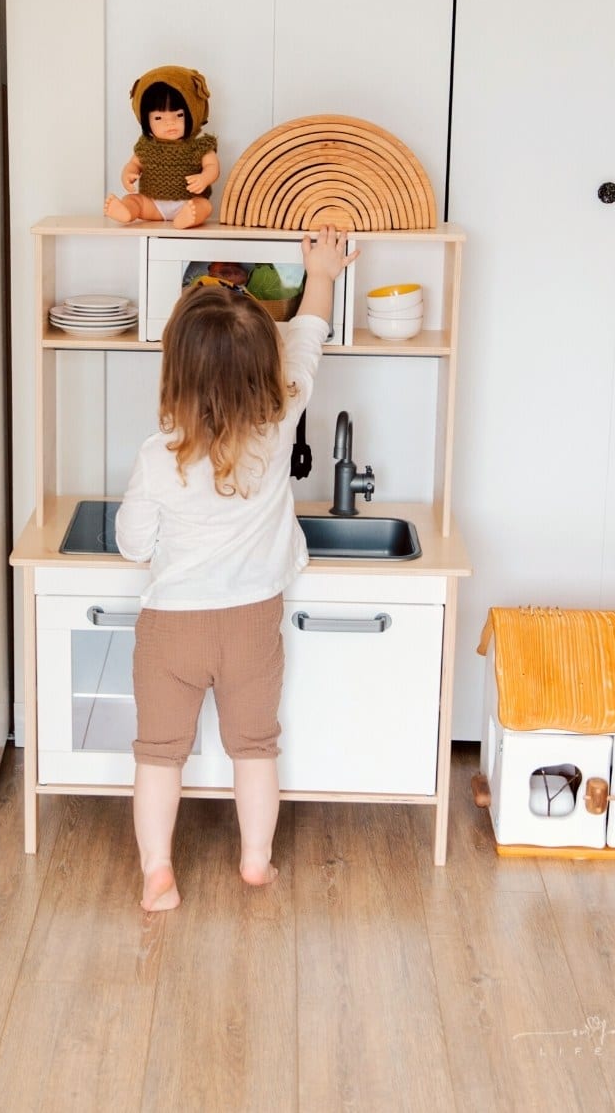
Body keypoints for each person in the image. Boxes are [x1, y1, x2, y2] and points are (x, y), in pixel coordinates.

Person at [115, 226, 359, 910]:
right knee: (255, 748)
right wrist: (322, 274)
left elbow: (134, 545)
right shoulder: (277, 424)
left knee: (159, 754)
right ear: (264, 371)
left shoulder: (158, 453)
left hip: (171, 629)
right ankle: (255, 863)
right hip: (252, 621)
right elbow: (307, 343)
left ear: (175, 369)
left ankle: (157, 873)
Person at [104, 65, 220, 228]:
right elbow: (134, 164)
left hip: (188, 202)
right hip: (153, 204)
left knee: (205, 206)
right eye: (158, 118)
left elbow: (212, 166)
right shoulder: (146, 146)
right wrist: (128, 174)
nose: (170, 122)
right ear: (146, 121)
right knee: (134, 200)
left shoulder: (199, 143)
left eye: (179, 115)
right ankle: (127, 211)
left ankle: (187, 218)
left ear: (193, 112)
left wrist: (205, 178)